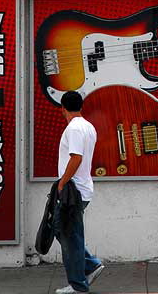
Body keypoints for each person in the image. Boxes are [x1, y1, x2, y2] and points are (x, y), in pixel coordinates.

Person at [54, 90, 104, 294]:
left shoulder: (74, 128)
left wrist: (62, 183)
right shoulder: (88, 127)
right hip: (82, 189)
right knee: (65, 232)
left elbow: (76, 158)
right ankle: (90, 265)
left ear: (62, 108)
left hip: (72, 191)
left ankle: (78, 284)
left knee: (67, 234)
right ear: (81, 106)